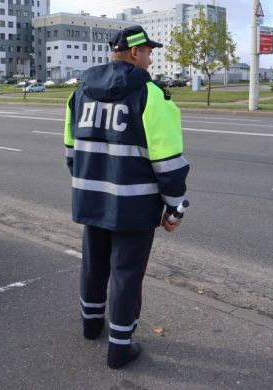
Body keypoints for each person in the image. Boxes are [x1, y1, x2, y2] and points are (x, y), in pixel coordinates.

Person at [64, 25, 189, 369]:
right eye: (149, 51)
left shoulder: (80, 94)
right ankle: (120, 347)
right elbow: (168, 163)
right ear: (135, 52)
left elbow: (71, 152)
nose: (150, 58)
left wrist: (92, 184)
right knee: (126, 272)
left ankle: (91, 326)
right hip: (134, 206)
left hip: (91, 200)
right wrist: (175, 207)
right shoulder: (151, 95)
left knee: (94, 264)